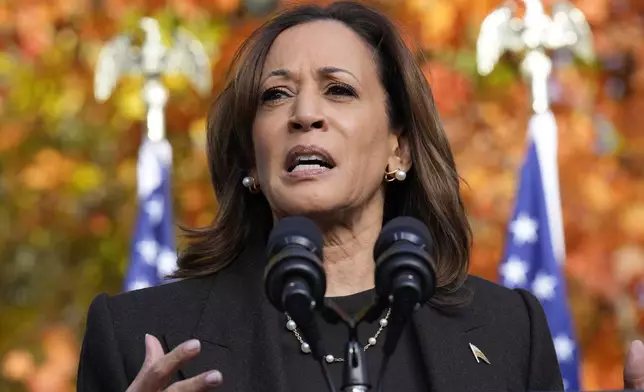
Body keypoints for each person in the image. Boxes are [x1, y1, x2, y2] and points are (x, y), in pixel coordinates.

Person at [77, 1, 568, 391]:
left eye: (338, 90)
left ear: (399, 148)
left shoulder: (509, 332)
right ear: (250, 157)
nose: (305, 113)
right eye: (275, 95)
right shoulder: (139, 338)